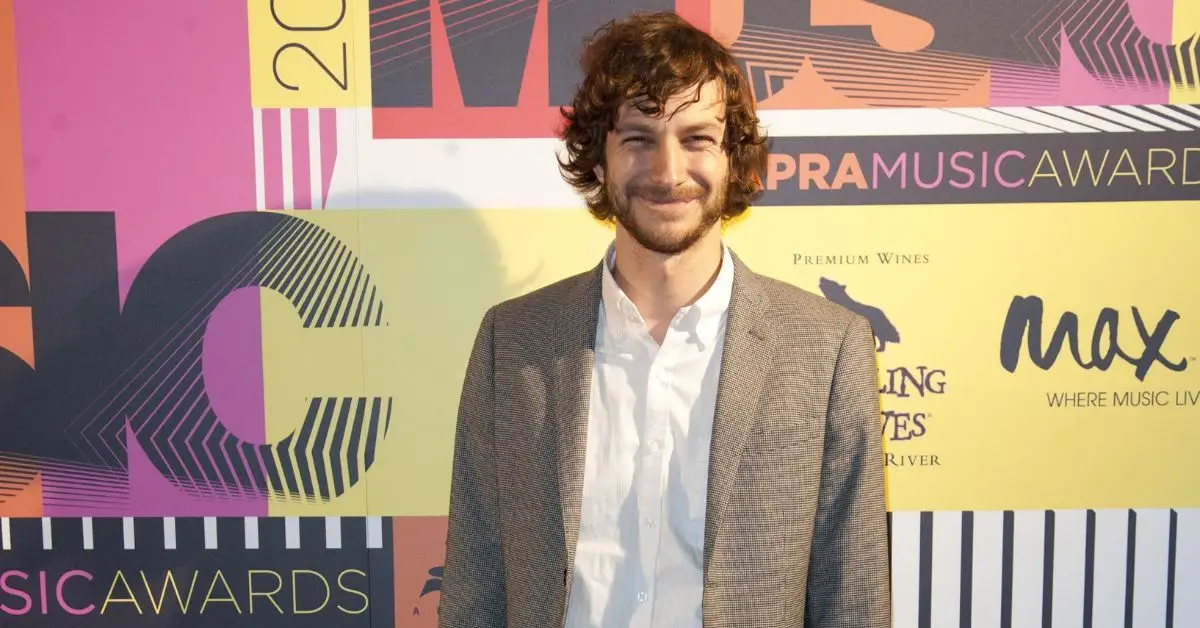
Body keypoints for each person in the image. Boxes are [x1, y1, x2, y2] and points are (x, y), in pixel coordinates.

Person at [438, 10, 890, 628]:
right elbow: (477, 580)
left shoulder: (826, 346)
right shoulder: (511, 342)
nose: (667, 171)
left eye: (697, 138)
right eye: (639, 138)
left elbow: (853, 598)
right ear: (599, 159)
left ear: (735, 159)